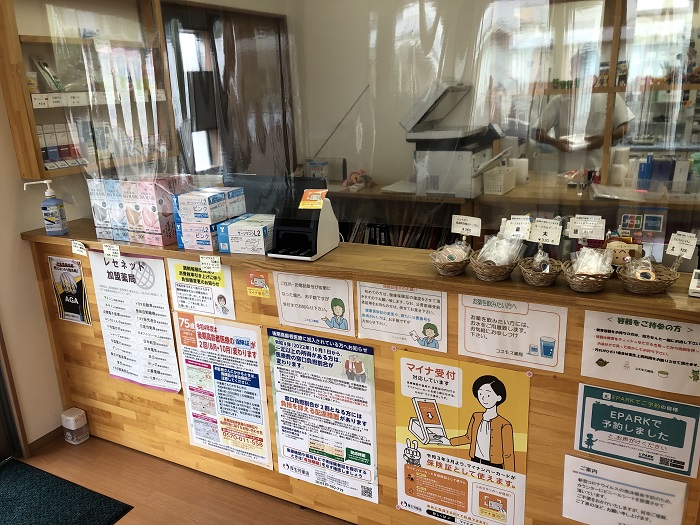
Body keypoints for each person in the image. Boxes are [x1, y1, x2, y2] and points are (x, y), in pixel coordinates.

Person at [532, 46, 634, 173]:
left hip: (597, 171)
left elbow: (626, 127)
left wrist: (603, 139)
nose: (581, 77)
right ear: (571, 73)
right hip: (567, 172)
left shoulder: (609, 96)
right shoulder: (560, 100)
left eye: (585, 72)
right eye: (576, 72)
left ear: (595, 73)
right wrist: (556, 143)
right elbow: (536, 132)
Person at [440, 375, 515, 472]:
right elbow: (468, 438)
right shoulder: (476, 416)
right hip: (475, 460)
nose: (483, 398)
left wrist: (511, 475)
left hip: (494, 465)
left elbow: (508, 454)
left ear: (499, 397)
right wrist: (449, 442)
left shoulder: (504, 425)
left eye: (488, 395)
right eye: (480, 394)